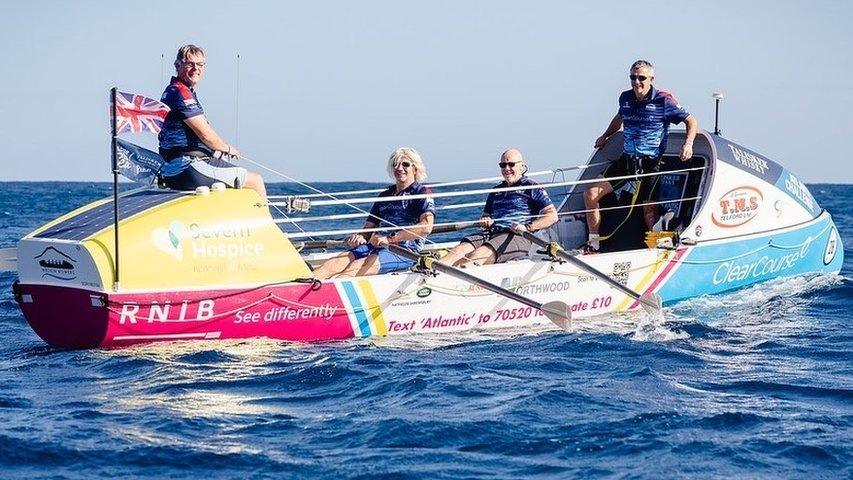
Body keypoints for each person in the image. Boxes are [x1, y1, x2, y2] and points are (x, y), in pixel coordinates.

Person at [584, 59, 698, 252]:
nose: (637, 82)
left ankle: (654, 250)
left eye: (641, 78)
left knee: (649, 212)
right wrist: (606, 135)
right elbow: (620, 118)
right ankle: (594, 243)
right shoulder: (625, 98)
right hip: (627, 161)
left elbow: (691, 121)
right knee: (591, 194)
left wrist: (688, 145)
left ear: (651, 79)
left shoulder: (663, 100)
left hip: (651, 164)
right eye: (633, 77)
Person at [158, 44, 267, 198]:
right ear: (177, 65)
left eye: (200, 64)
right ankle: (266, 222)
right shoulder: (181, 92)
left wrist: (215, 152)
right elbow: (205, 135)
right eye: (190, 64)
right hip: (190, 167)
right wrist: (227, 149)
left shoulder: (173, 90)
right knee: (255, 181)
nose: (196, 68)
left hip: (173, 171)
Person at [313, 148, 435, 279]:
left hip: (404, 251)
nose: (399, 168)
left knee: (358, 266)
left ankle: (330, 294)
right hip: (375, 245)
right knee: (337, 261)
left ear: (415, 169)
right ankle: (299, 287)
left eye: (405, 164)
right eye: (395, 164)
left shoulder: (422, 192)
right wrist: (359, 237)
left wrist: (390, 239)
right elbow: (368, 230)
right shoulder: (384, 195)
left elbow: (426, 227)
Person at [440, 149, 557, 267]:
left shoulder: (532, 187)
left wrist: (528, 227)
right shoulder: (496, 190)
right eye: (503, 165)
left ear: (522, 166)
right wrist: (485, 219)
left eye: (511, 164)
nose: (507, 168)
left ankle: (460, 279)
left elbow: (552, 216)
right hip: (491, 232)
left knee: (477, 255)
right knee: (457, 252)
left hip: (517, 236)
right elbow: (486, 215)